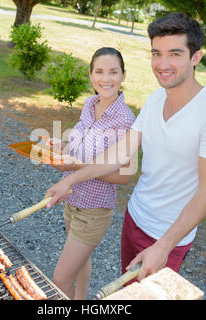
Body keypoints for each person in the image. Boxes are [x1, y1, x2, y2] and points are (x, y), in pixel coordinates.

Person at [45, 13, 206, 284]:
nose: (162, 64)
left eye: (174, 54)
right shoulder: (155, 99)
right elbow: (119, 154)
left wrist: (164, 246)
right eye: (156, 53)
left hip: (168, 237)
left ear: (196, 57)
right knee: (125, 292)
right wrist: (72, 180)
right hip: (134, 219)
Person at [48, 47, 135, 299]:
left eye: (113, 72)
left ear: (123, 75)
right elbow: (79, 146)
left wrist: (75, 166)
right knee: (80, 262)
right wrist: (59, 146)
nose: (105, 79)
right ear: (90, 75)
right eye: (99, 71)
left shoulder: (126, 120)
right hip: (71, 198)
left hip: (94, 210)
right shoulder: (89, 103)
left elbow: (124, 176)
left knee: (60, 278)